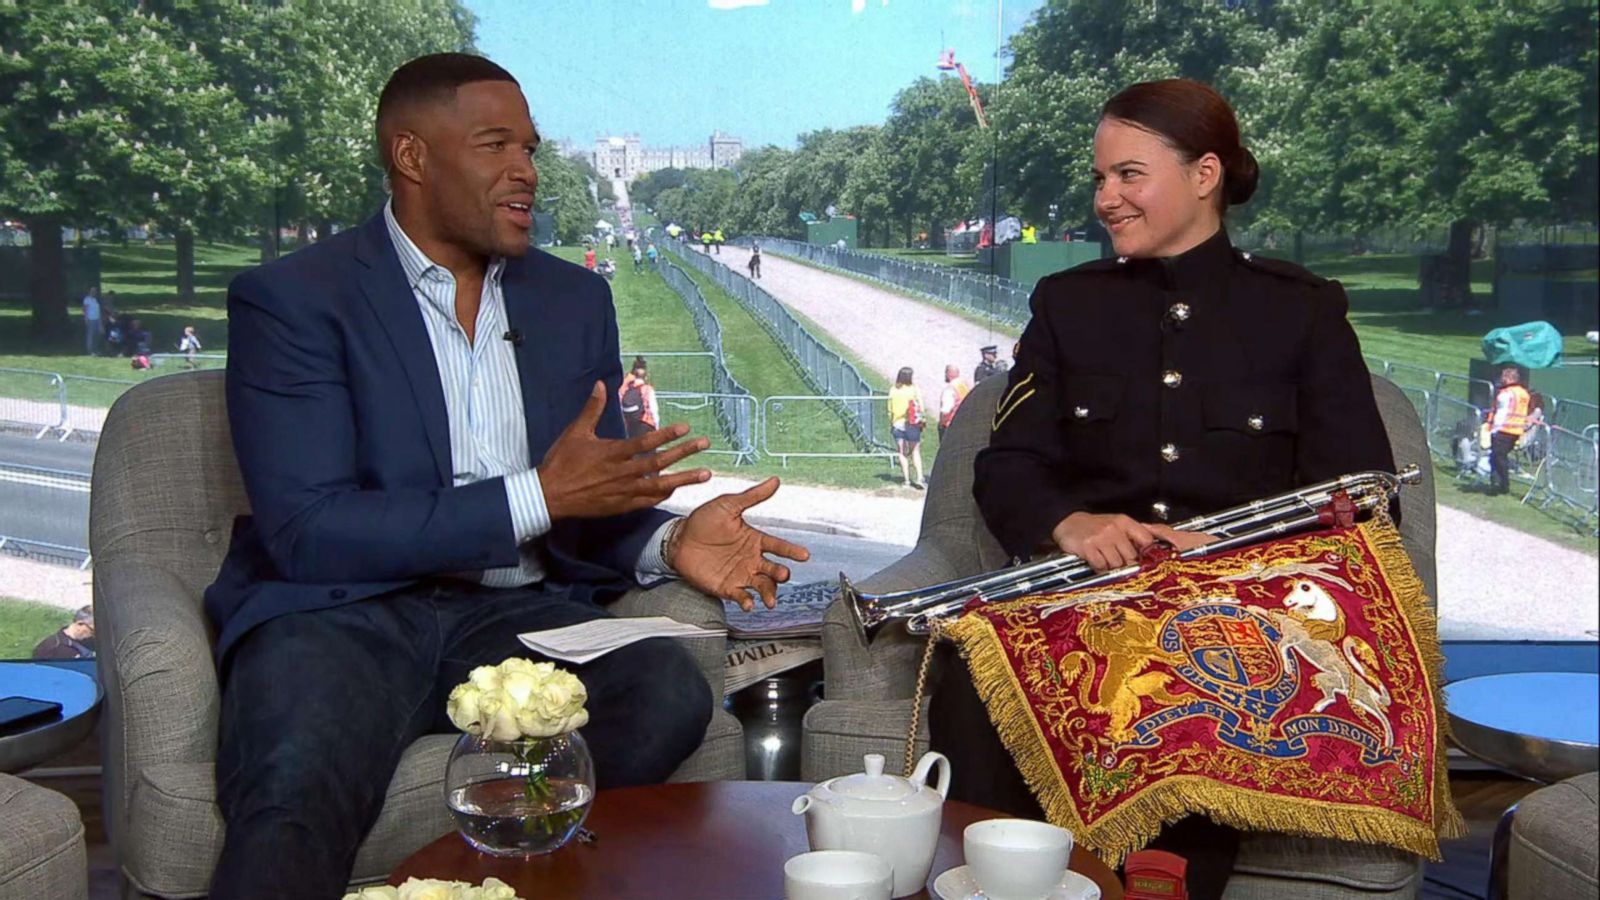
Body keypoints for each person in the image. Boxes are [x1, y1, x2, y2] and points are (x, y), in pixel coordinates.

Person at [206, 54, 809, 899]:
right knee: (295, 777)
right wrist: (537, 494)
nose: (526, 169)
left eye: (527, 147)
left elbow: (585, 503)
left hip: (516, 613)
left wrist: (671, 543)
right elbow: (308, 531)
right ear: (412, 157)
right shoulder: (295, 300)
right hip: (340, 615)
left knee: (663, 690)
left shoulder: (573, 302)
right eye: (495, 146)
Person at [930, 78, 1395, 900]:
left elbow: (1356, 498)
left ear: (1206, 174)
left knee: (1197, 679)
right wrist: (1068, 523)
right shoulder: (1070, 307)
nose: (1107, 198)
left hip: (1241, 607)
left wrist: (1227, 562)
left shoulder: (1303, 313)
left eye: (1129, 176)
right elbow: (1007, 465)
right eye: (1102, 178)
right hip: (1088, 590)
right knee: (979, 669)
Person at [1486, 366, 1532, 495]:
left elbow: (1501, 412)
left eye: (1503, 376)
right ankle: (1498, 483)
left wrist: (1494, 428)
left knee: (1498, 457)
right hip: (1516, 430)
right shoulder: (1524, 393)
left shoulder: (1506, 394)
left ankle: (1502, 484)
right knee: (1500, 456)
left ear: (1509, 378)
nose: (1501, 379)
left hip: (1504, 428)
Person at [887, 366, 926, 490]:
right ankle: (920, 478)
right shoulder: (914, 390)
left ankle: (907, 480)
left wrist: (891, 420)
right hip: (912, 424)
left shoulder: (893, 390)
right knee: (915, 451)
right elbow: (921, 408)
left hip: (897, 423)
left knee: (901, 452)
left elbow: (889, 408)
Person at [618, 356, 660, 439]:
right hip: (646, 425)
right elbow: (654, 411)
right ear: (646, 376)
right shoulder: (647, 389)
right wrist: (657, 427)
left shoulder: (625, 388)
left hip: (629, 427)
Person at [937, 363, 970, 439]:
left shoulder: (950, 389)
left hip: (950, 426)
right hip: (964, 423)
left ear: (949, 374)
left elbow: (946, 410)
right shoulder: (963, 385)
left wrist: (941, 423)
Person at [81, 286, 102, 356]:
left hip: (97, 319)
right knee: (91, 335)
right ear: (89, 291)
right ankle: (90, 351)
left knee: (97, 335)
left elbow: (98, 310)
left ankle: (95, 350)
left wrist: (100, 320)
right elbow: (84, 310)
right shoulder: (87, 299)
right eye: (92, 291)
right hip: (90, 319)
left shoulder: (95, 300)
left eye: (95, 291)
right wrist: (86, 318)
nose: (94, 292)